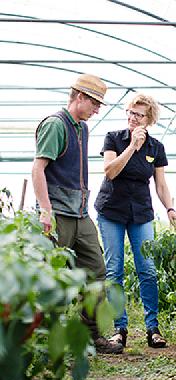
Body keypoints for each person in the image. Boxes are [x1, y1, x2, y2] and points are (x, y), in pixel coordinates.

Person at [31, 73, 124, 354]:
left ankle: (90, 335)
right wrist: (45, 210)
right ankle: (48, 340)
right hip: (58, 213)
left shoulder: (82, 128)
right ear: (80, 97)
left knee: (96, 272)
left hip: (81, 215)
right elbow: (38, 169)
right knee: (53, 277)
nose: (97, 110)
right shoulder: (55, 125)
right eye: (94, 104)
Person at [94, 93, 176, 348]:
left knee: (148, 269)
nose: (133, 118)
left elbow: (160, 184)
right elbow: (110, 172)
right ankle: (119, 329)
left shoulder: (156, 148)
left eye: (139, 115)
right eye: (130, 112)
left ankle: (152, 328)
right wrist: (132, 146)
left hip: (141, 213)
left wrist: (170, 208)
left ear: (149, 119)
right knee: (114, 269)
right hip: (111, 210)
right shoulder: (113, 138)